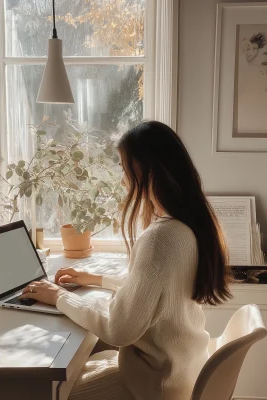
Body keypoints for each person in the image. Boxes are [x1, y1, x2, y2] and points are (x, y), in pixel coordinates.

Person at [20, 121, 231, 400]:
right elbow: (158, 288)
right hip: (178, 374)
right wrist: (98, 280)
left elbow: (118, 331)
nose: (122, 180)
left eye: (124, 168)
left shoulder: (160, 238)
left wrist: (59, 297)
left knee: (42, 392)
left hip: (152, 387)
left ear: (148, 172)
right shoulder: (185, 227)